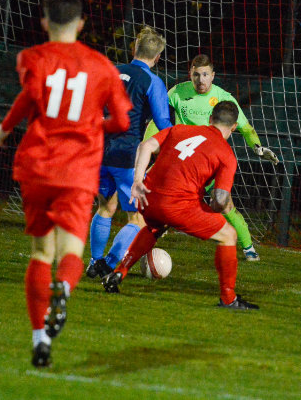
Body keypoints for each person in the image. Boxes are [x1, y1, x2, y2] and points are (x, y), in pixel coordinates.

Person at [0, 0, 131, 368]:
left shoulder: (32, 58)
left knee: (41, 252)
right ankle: (64, 288)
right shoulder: (102, 66)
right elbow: (122, 121)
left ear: (44, 22)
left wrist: (4, 128)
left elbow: (29, 98)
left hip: (38, 166)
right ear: (82, 24)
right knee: (71, 250)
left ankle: (40, 340)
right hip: (78, 171)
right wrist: (93, 124)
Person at [101, 101, 259, 310]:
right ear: (234, 127)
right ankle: (229, 298)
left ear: (210, 119)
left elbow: (145, 146)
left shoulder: (179, 129)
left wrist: (137, 180)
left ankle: (119, 272)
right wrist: (212, 209)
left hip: (148, 197)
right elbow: (221, 200)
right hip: (177, 205)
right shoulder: (226, 154)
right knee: (228, 235)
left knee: (155, 227)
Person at [144, 54, 278, 262]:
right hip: (181, 162)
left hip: (209, 165)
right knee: (149, 192)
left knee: (226, 206)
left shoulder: (224, 98)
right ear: (190, 74)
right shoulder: (177, 92)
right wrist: (148, 143)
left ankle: (248, 247)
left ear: (213, 76)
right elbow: (157, 118)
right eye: (196, 75)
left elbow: (245, 128)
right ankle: (137, 240)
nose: (201, 80)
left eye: (205, 75)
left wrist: (258, 147)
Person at [85, 26, 171, 279]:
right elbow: (163, 123)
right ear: (157, 57)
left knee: (105, 207)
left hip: (100, 149)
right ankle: (109, 263)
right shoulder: (152, 81)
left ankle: (94, 261)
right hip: (126, 155)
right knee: (137, 219)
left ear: (134, 49)